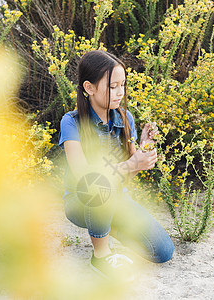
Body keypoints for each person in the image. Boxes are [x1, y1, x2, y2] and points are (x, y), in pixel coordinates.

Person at [59, 50, 174, 279]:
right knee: (100, 186)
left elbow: (135, 163)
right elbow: (85, 177)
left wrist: (145, 146)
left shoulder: (124, 117)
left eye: (123, 85)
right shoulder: (71, 122)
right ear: (89, 87)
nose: (120, 92)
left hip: (117, 198)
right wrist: (131, 164)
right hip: (82, 201)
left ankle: (106, 226)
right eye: (113, 86)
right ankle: (100, 256)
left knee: (163, 251)